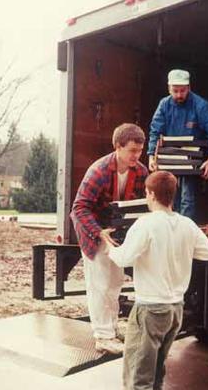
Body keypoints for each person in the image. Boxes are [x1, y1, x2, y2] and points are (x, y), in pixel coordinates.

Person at [108, 171, 208, 390]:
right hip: (175, 310)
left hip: (150, 309)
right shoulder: (187, 224)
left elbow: (123, 258)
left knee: (138, 378)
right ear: (173, 195)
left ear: (151, 194)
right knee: (156, 373)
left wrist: (107, 246)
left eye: (146, 193)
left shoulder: (145, 224)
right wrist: (180, 250)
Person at [70, 123, 148, 355]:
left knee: (114, 283)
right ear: (117, 147)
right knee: (99, 285)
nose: (136, 155)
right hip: (93, 231)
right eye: (132, 150)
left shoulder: (142, 171)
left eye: (140, 150)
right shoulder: (99, 170)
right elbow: (79, 207)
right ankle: (103, 336)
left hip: (116, 233)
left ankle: (111, 329)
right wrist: (98, 232)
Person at [147, 69, 208, 220]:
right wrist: (151, 157)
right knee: (169, 198)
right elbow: (155, 131)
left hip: (191, 158)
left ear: (189, 88)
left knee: (188, 198)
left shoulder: (201, 106)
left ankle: (185, 232)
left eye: (182, 91)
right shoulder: (164, 105)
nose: (179, 95)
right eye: (175, 91)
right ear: (169, 89)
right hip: (169, 157)